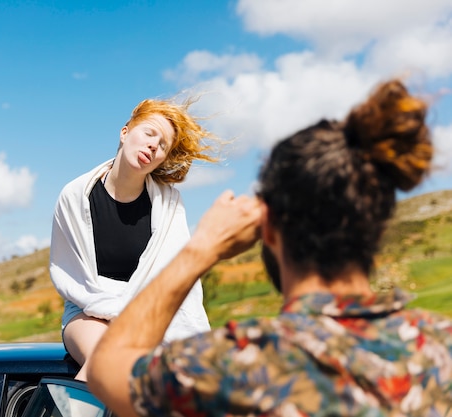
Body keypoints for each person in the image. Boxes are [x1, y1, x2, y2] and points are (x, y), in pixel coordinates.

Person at [87, 79, 452, 416]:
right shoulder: (441, 347)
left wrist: (202, 248)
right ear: (376, 229)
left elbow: (109, 370)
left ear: (269, 228)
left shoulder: (238, 364)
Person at [49, 97, 220, 381]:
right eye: (149, 133)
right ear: (125, 132)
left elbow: (178, 280)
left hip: (147, 317)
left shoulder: (169, 206)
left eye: (163, 145)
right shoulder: (76, 196)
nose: (154, 145)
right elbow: (73, 277)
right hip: (87, 310)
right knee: (107, 360)